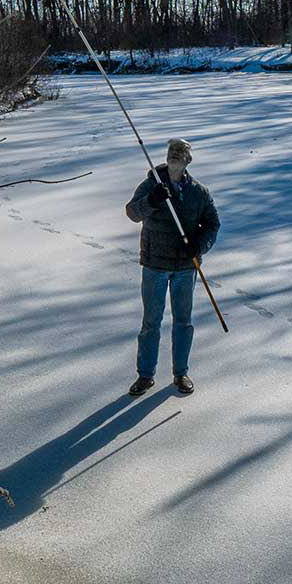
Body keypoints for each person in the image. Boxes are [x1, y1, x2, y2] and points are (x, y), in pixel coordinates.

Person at [124, 138, 220, 397]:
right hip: (155, 264)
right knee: (151, 322)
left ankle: (181, 373)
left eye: (180, 152)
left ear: (188, 160)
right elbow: (133, 212)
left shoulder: (198, 192)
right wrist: (152, 200)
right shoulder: (151, 184)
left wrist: (199, 246)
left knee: (183, 321)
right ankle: (145, 376)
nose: (175, 155)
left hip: (185, 267)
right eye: (171, 151)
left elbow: (213, 225)